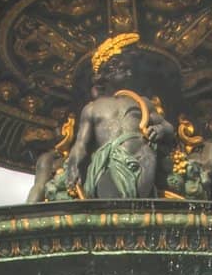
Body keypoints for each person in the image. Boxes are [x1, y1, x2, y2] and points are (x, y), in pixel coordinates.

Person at [61, 34, 175, 199]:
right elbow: (81, 145)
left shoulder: (142, 102)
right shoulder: (92, 109)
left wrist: (160, 129)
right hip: (107, 164)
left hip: (143, 161)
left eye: (130, 69)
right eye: (124, 69)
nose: (129, 73)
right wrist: (73, 165)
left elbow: (168, 127)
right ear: (108, 71)